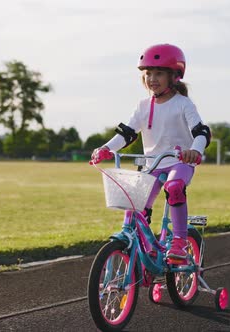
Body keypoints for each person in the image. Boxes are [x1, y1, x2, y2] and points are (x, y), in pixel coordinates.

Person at [90, 43, 211, 265]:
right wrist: (107, 148)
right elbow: (127, 133)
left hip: (179, 163)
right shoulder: (143, 105)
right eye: (148, 74)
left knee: (174, 187)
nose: (152, 79)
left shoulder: (183, 104)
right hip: (152, 164)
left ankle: (179, 241)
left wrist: (195, 151)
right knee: (133, 200)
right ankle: (145, 249)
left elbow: (202, 132)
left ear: (174, 76)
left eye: (159, 73)